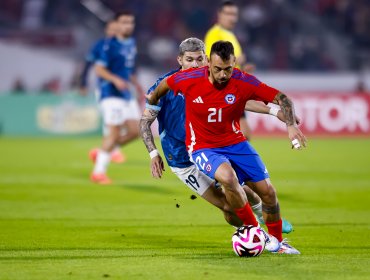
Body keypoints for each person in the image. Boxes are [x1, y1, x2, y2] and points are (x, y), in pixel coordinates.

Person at [147, 40, 307, 254]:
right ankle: (257, 232)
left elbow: (280, 98)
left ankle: (277, 244)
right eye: (218, 70)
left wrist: (289, 124)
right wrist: (153, 101)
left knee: (268, 192)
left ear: (233, 64)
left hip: (235, 143)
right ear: (209, 65)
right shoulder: (186, 79)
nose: (223, 75)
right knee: (229, 180)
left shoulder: (242, 80)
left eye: (228, 69)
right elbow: (160, 89)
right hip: (201, 147)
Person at [90, 11, 144, 184]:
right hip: (111, 94)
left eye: (131, 22)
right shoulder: (108, 45)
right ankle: (98, 172)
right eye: (124, 22)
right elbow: (98, 69)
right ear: (117, 25)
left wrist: (136, 84)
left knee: (137, 131)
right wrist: (114, 79)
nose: (128, 25)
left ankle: (102, 153)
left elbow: (128, 70)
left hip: (126, 94)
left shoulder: (132, 44)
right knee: (113, 133)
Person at [78, 19, 126, 164]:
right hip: (105, 89)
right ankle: (113, 152)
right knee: (110, 120)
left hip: (122, 91)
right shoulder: (99, 46)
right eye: (111, 29)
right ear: (107, 30)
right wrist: (83, 83)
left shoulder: (123, 47)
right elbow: (88, 64)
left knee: (120, 121)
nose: (113, 32)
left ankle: (107, 151)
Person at [204, 0, 255, 139]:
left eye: (234, 14)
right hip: (223, 89)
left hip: (234, 87)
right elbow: (211, 62)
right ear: (219, 14)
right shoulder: (215, 34)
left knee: (243, 134)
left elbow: (233, 64)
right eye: (228, 13)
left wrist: (244, 68)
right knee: (241, 134)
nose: (232, 17)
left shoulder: (230, 35)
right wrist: (237, 61)